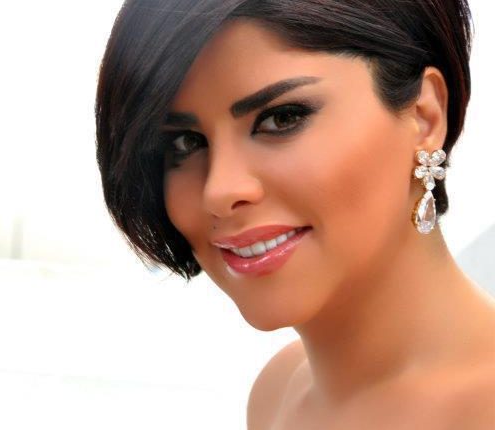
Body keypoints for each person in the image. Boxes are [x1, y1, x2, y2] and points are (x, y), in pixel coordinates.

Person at [95, 0, 495, 428]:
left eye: (281, 119)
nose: (219, 190)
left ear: (424, 116)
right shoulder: (278, 391)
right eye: (185, 143)